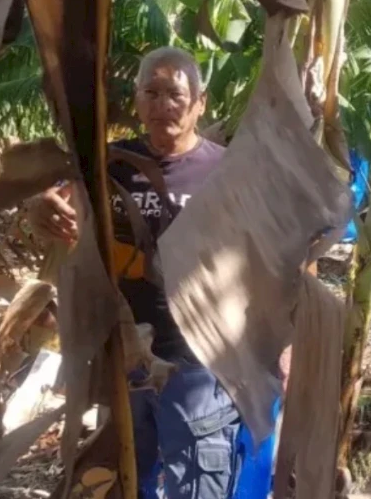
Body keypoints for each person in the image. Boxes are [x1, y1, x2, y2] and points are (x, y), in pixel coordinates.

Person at [29, 47, 239, 499]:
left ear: (200, 103)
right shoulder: (111, 163)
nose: (164, 104)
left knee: (196, 485)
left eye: (176, 94)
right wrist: (40, 207)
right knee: (127, 481)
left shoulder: (227, 170)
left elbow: (265, 258)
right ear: (138, 100)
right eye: (152, 92)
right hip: (124, 357)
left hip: (197, 361)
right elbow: (56, 200)